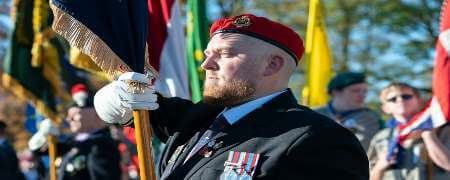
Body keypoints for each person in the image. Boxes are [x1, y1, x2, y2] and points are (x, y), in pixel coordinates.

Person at [94, 14, 368, 179]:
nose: (206, 65)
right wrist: (112, 99)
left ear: (272, 65)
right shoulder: (198, 119)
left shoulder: (318, 138)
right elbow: (137, 107)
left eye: (224, 54)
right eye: (206, 55)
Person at [368, 82, 450, 180]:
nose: (400, 100)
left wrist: (429, 137)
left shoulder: (440, 129)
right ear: (386, 108)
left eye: (406, 96)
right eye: (393, 99)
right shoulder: (381, 138)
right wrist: (380, 166)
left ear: (419, 101)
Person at [29, 94, 122, 180]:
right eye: (68, 115)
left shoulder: (101, 145)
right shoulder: (73, 142)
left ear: (92, 113)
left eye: (74, 114)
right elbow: (38, 151)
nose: (69, 119)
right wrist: (43, 135)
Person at [315, 72, 382, 150]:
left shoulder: (373, 118)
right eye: (355, 91)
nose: (362, 95)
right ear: (336, 91)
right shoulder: (313, 114)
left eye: (365, 91)